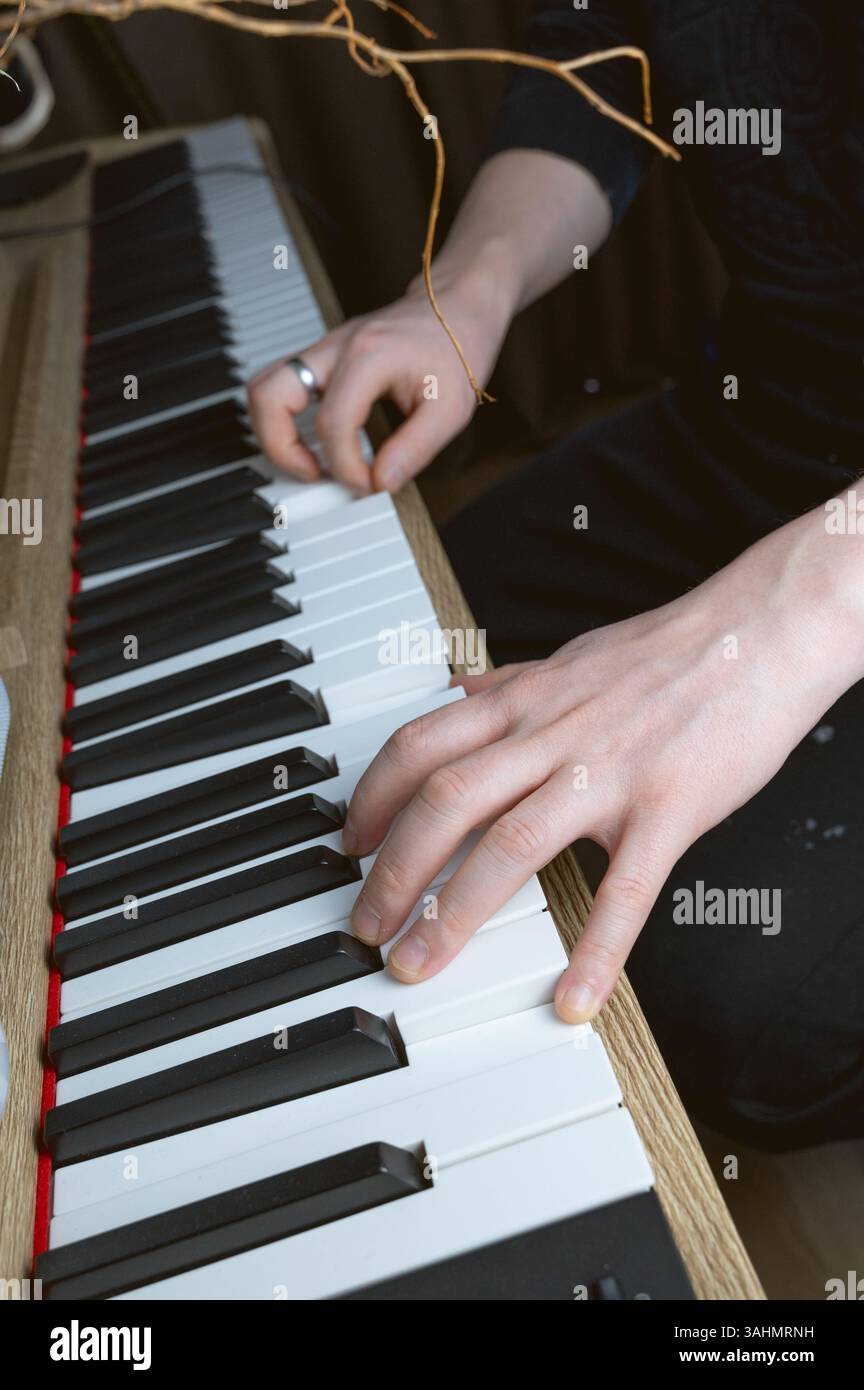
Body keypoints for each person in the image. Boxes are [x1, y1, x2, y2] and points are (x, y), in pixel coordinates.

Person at [248, 1, 863, 1150]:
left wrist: (804, 603)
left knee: (727, 1008)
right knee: (390, 669)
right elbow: (604, 53)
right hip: (771, 425)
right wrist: (472, 284)